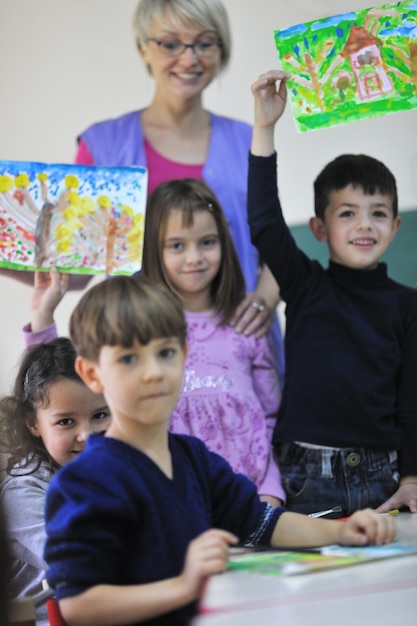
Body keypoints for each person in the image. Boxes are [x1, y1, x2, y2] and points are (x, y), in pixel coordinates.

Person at [44, 275, 396, 626]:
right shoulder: (86, 483)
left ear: (184, 356)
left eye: (165, 353)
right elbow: (79, 606)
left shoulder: (193, 458)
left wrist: (341, 533)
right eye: (128, 359)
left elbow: (260, 522)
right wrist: (184, 585)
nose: (153, 373)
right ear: (92, 374)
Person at [74, 0, 285, 386]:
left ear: (222, 51)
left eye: (205, 43)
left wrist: (266, 297)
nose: (189, 59)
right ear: (143, 49)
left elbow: (273, 239)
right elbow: (74, 267)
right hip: (139, 357)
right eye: (171, 44)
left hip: (238, 360)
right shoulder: (102, 147)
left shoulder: (249, 138)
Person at [247, 69, 417, 517]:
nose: (365, 225)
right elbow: (264, 223)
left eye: (378, 213)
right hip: (308, 476)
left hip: (385, 476)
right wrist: (265, 127)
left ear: (395, 227)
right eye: (348, 213)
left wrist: (413, 478)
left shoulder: (408, 304)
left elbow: (412, 399)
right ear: (320, 228)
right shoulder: (304, 285)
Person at [142, 178, 284, 505]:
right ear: (155, 250)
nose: (194, 258)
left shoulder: (247, 322)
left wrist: (271, 492)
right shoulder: (145, 330)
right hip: (179, 506)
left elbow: (271, 420)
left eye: (207, 242)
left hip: (253, 503)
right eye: (176, 245)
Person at [0, 338, 111, 626]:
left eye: (100, 415)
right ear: (33, 423)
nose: (87, 435)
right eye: (66, 422)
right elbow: (82, 560)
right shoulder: (22, 491)